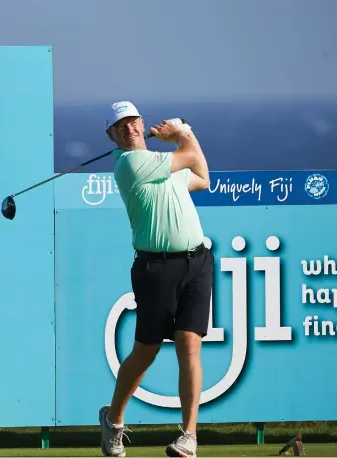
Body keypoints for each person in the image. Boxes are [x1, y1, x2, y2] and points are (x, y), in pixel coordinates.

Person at [98, 101, 213, 458]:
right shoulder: (130, 163)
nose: (130, 128)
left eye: (134, 122)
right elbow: (190, 154)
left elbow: (204, 179)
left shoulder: (162, 162)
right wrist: (181, 133)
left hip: (197, 261)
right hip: (155, 269)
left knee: (189, 345)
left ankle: (188, 436)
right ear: (113, 137)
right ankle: (114, 421)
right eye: (122, 126)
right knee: (145, 353)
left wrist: (181, 139)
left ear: (142, 123)